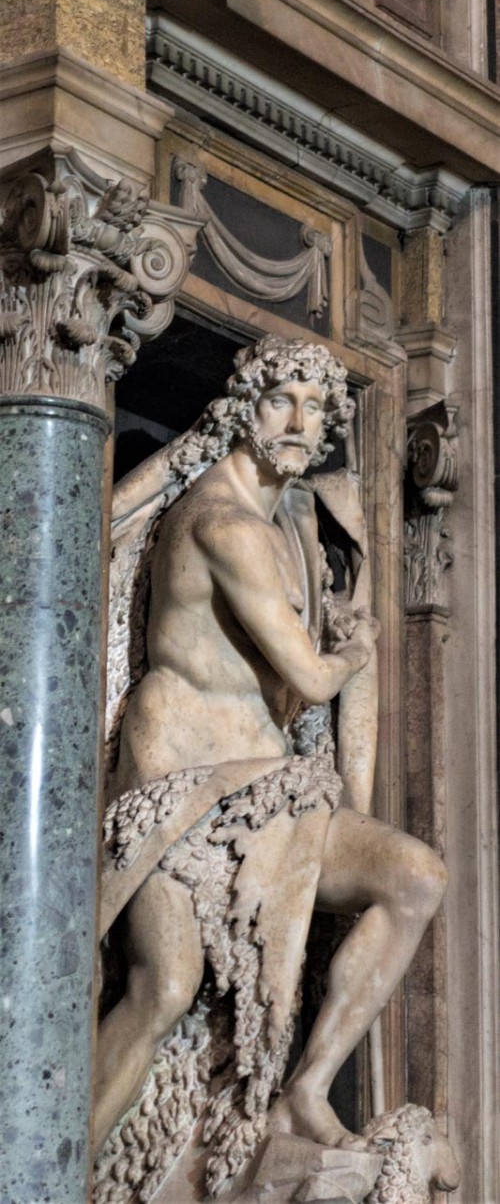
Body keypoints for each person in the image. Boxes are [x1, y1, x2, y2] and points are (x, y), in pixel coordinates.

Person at [94, 336, 446, 1195]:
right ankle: (46, 1169)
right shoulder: (225, 523)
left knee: (416, 876)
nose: (299, 422)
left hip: (265, 786)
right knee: (164, 989)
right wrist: (356, 649)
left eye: (317, 408)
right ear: (243, 407)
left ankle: (306, 1090)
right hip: (181, 787)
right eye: (280, 400)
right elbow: (311, 673)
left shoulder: (289, 518)